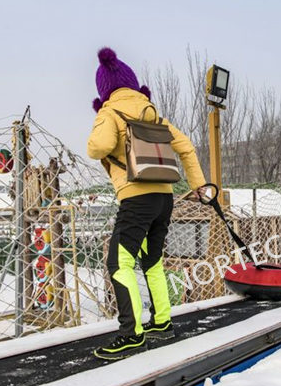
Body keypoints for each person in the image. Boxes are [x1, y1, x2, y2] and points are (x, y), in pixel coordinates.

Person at [87, 48, 207, 359]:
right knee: (152, 261)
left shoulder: (110, 113)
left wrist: (102, 120)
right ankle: (162, 321)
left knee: (118, 263)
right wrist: (199, 186)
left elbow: (98, 148)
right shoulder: (154, 115)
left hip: (136, 197)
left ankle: (131, 334)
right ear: (132, 82)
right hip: (164, 197)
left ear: (104, 89)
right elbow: (187, 148)